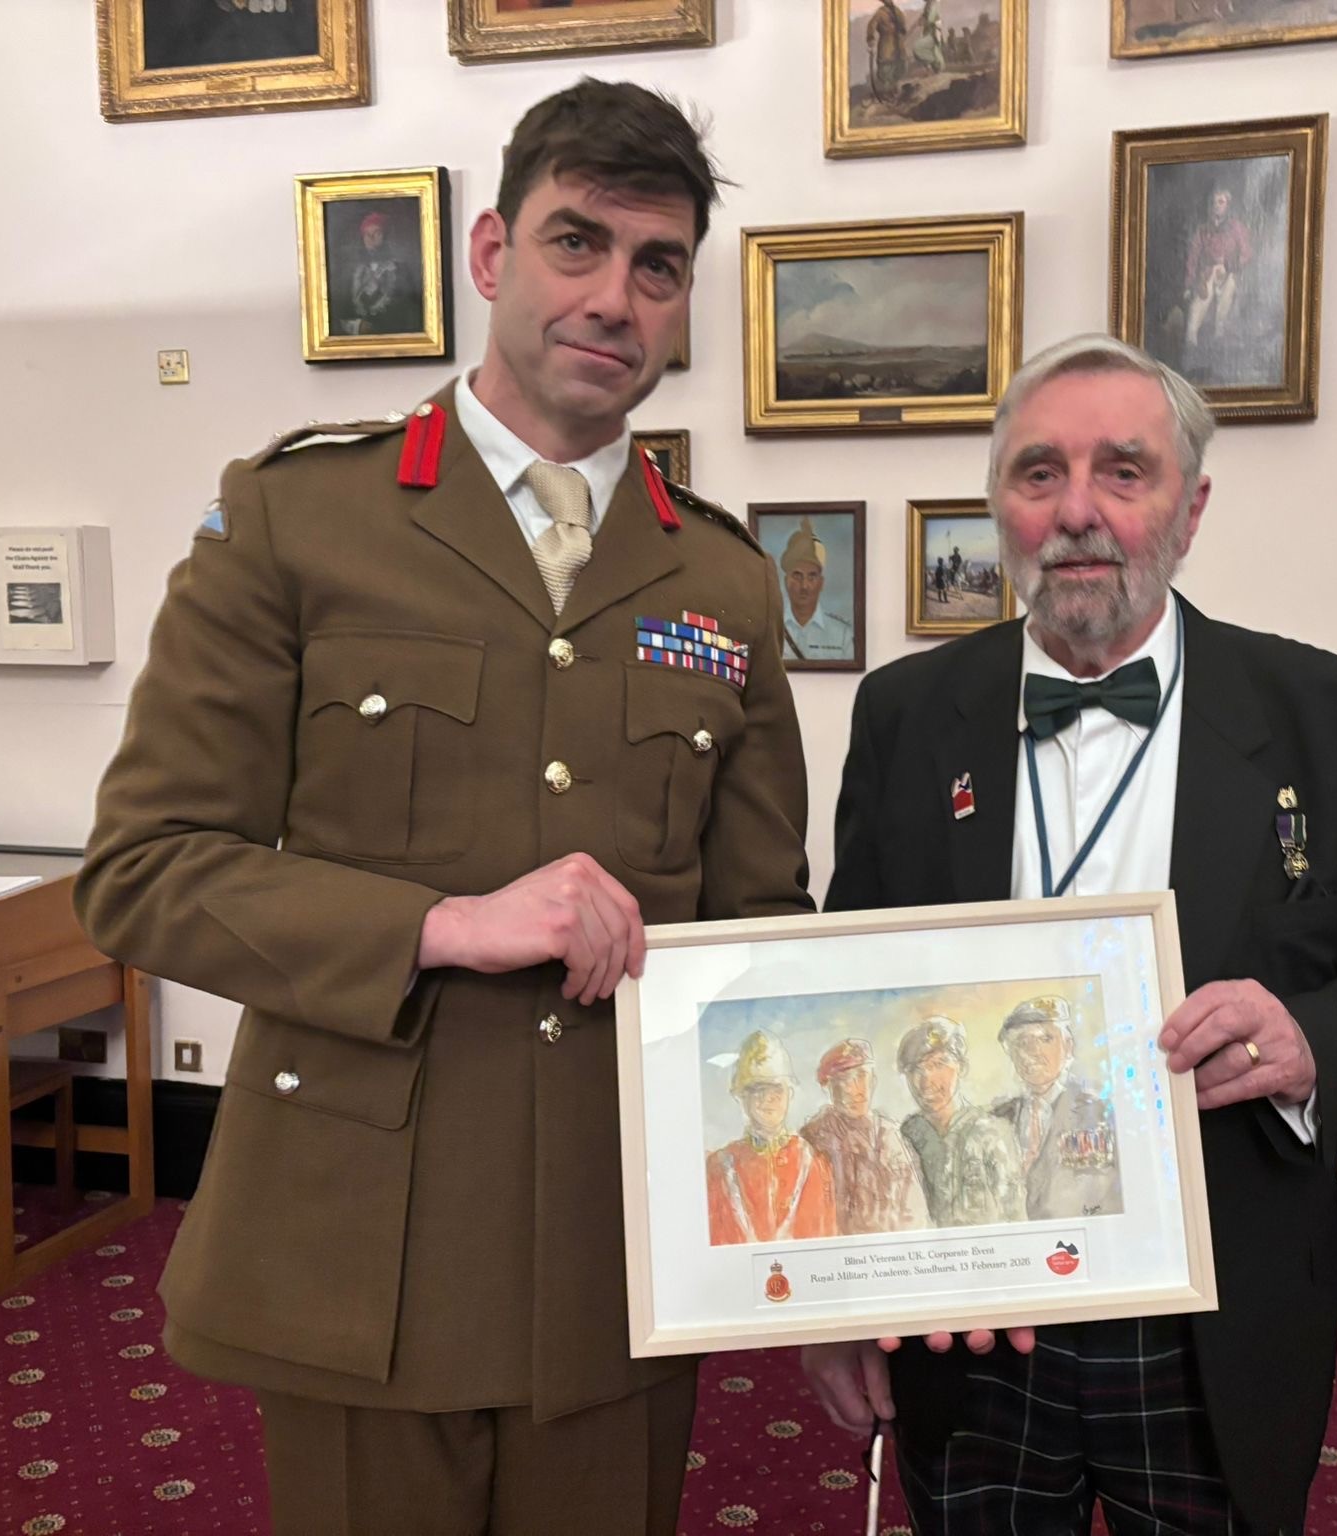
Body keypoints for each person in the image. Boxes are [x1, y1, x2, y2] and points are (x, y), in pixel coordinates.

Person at [74, 79, 811, 1536]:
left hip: (613, 1246)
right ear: (489, 254)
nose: (613, 298)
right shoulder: (300, 519)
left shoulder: (725, 579)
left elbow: (759, 928)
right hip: (363, 1236)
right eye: (575, 242)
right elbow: (143, 871)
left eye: (657, 267)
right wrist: (444, 924)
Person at [804, 333, 1337, 1535]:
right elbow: (847, 992)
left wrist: (1310, 1042)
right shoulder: (904, 715)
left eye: (1123, 471)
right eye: (1038, 473)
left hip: (1209, 1311)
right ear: (998, 507)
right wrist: (836, 1297)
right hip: (968, 1309)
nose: (1077, 511)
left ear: (1189, 508)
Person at [990, 994, 1122, 1221]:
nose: (1032, 1051)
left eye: (1045, 1038)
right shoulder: (996, 1120)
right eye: (1022, 1042)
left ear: (1068, 1046)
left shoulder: (1100, 1113)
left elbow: (1113, 1199)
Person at [707, 1032, 839, 1245]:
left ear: (789, 1094)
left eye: (776, 1089)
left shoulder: (814, 1163)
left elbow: (825, 1240)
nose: (767, 1098)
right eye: (756, 1090)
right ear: (741, 1097)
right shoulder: (718, 1168)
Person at [895, 1016, 1026, 1227]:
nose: (926, 1080)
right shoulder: (905, 1135)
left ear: (961, 1067)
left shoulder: (992, 1132)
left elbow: (1014, 1214)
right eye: (915, 1070)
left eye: (938, 1064)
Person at [800, 1037, 929, 1234]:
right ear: (829, 1087)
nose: (855, 1091)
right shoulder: (814, 1139)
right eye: (844, 1080)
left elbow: (914, 1211)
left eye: (862, 1076)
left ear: (873, 1081)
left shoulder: (891, 1135)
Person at [1182, 186, 1252, 359]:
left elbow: (1247, 254)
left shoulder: (1236, 228)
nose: (1216, 206)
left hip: (1231, 274)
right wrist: (1189, 284)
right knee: (1201, 294)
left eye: (1221, 202)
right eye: (1213, 202)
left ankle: (1219, 334)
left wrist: (1228, 266)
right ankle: (1191, 339)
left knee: (1229, 286)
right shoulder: (1203, 230)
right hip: (1208, 275)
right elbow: (1193, 257)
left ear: (1228, 205)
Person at [778, 518, 856, 663]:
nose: (804, 586)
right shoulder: (771, 630)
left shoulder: (842, 634)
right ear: (785, 581)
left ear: (821, 583)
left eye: (812, 576)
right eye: (797, 575)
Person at [335, 209, 423, 337]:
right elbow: (341, 313)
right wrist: (357, 326)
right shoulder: (354, 272)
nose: (371, 238)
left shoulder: (401, 270)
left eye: (377, 233)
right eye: (367, 234)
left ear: (386, 236)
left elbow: (412, 312)